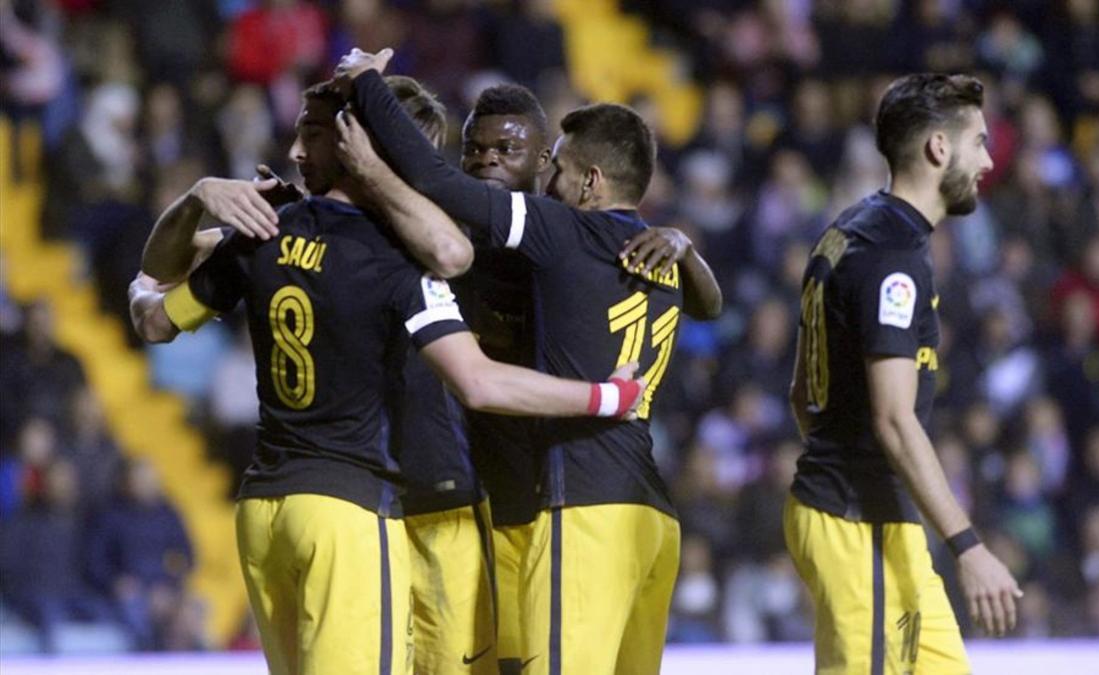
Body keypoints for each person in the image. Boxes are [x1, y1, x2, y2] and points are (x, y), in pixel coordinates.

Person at [127, 77, 646, 675]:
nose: (485, 163)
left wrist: (679, 246)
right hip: (361, 503)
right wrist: (200, 195)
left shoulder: (526, 243)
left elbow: (157, 300)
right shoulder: (343, 235)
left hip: (442, 505)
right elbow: (169, 262)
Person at [337, 47, 700, 675]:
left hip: (566, 507)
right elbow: (712, 306)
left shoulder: (552, 233)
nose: (485, 163)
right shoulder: (633, 252)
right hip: (592, 502)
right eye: (475, 149)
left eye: (548, 163)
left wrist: (367, 89)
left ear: (572, 176)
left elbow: (438, 182)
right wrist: (684, 247)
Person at [785, 73, 1022, 674]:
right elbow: (893, 419)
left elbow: (802, 395)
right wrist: (967, 546)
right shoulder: (892, 257)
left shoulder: (853, 232)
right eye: (980, 143)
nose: (989, 161)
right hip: (856, 522)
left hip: (876, 515)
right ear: (939, 149)